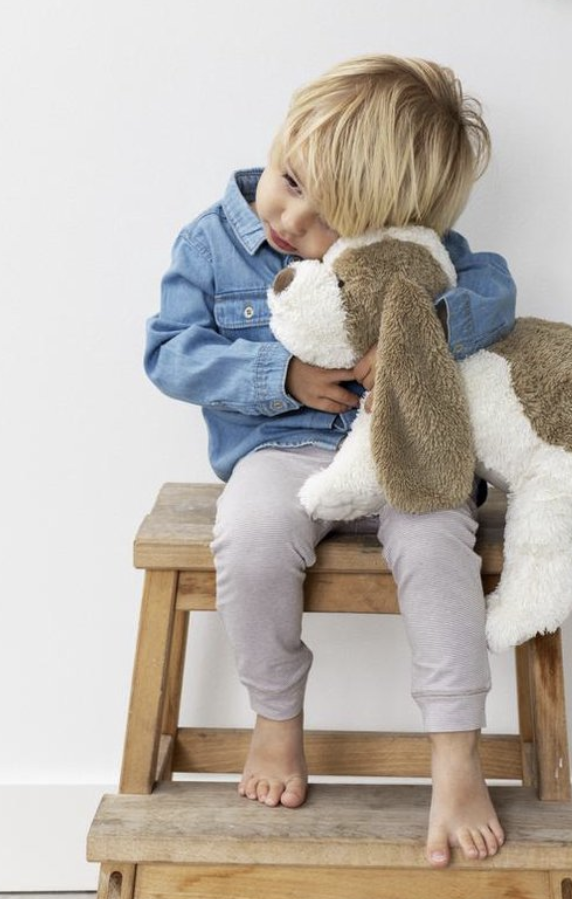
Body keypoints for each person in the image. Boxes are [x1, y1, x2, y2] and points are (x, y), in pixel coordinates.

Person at [144, 55, 515, 867]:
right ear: (281, 140)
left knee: (435, 547)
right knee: (250, 536)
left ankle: (456, 753)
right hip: (279, 448)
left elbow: (494, 291)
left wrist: (423, 332)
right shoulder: (210, 244)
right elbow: (169, 352)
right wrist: (279, 376)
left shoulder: (416, 248)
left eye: (331, 219)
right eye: (291, 181)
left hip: (401, 446)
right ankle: (276, 718)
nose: (294, 218)